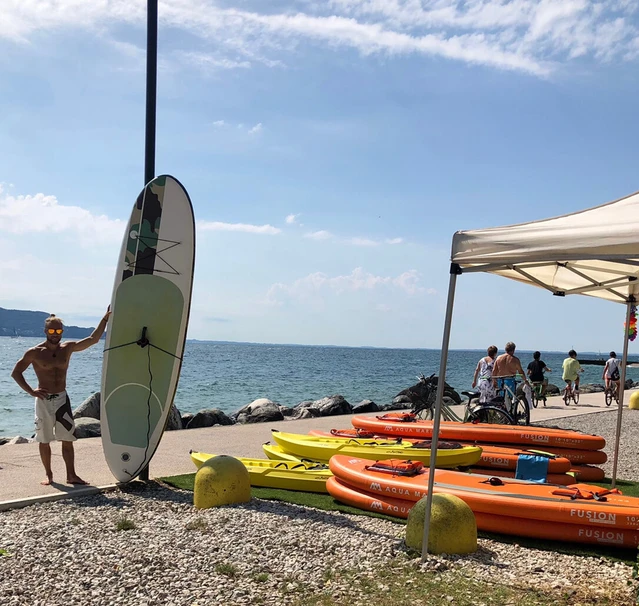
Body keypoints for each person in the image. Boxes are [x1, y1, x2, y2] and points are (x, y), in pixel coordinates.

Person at [11, 309, 111, 486]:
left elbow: (92, 340)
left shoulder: (68, 348)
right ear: (45, 331)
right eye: (51, 331)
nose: (55, 334)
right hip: (43, 401)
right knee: (44, 439)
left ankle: (71, 475)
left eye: (58, 331)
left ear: (62, 332)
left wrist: (104, 319)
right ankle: (49, 475)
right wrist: (31, 391)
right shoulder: (34, 352)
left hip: (62, 400)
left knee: (67, 438)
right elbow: (16, 372)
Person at [492, 342, 530, 406]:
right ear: (513, 350)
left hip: (500, 380)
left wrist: (494, 381)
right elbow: (520, 371)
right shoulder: (515, 360)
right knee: (510, 398)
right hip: (510, 381)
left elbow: (494, 371)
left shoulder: (498, 358)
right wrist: (525, 380)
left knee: (501, 398)